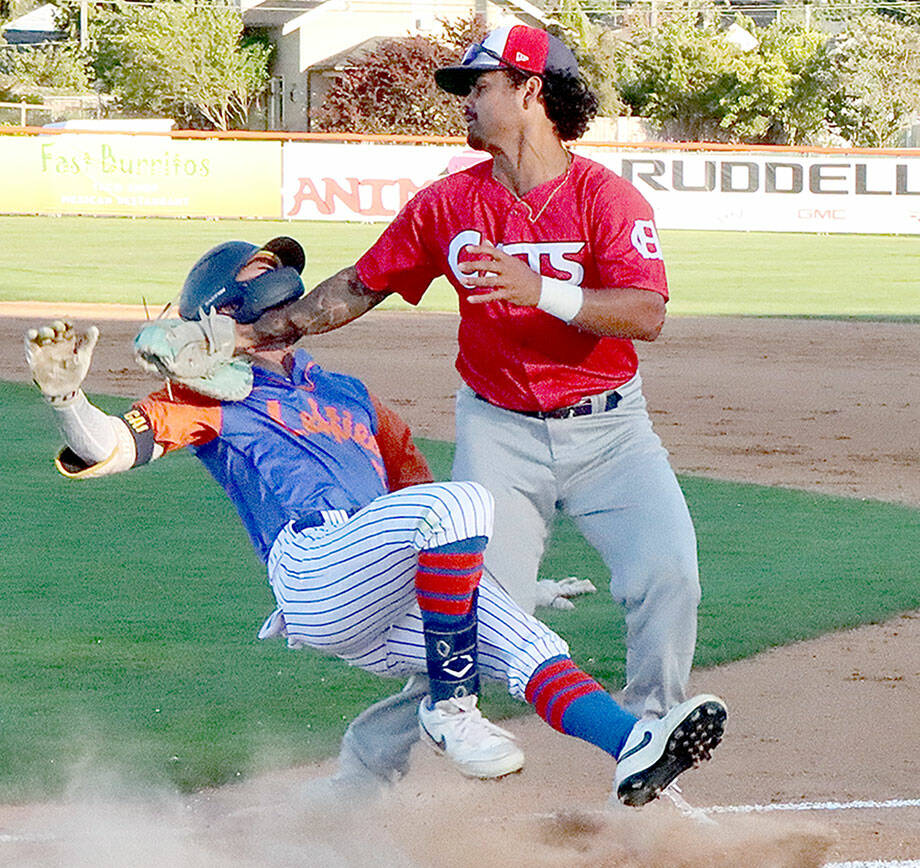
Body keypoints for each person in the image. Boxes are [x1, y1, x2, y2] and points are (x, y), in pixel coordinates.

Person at [22, 238, 725, 807]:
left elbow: (422, 517)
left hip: (382, 587)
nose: (277, 279)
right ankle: (451, 709)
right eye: (260, 270)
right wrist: (64, 397)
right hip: (314, 569)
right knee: (463, 501)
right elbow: (109, 449)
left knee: (526, 639)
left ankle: (633, 745)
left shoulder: (350, 395)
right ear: (225, 303)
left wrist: (513, 588)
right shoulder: (205, 398)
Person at [230, 25, 704, 793]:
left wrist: (538, 289)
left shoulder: (605, 198)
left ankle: (651, 742)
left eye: (479, 86)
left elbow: (645, 314)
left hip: (612, 430)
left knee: (669, 577)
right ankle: (365, 770)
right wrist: (265, 329)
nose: (465, 103)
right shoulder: (449, 203)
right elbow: (361, 283)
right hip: (500, 429)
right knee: (479, 621)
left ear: (530, 89)